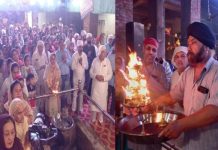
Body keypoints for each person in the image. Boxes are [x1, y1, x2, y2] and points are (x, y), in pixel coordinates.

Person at [146, 22, 218, 150]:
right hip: (187, 144)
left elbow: (214, 110)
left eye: (194, 42)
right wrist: (152, 105)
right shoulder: (188, 73)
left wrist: (181, 125)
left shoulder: (216, 71)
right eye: (188, 43)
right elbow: (172, 96)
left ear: (206, 46)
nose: (189, 47)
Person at [90, 45, 112, 124]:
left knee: (102, 103)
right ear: (99, 53)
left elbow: (110, 74)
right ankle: (93, 117)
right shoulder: (94, 60)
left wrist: (104, 78)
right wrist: (95, 76)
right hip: (95, 86)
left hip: (103, 87)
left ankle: (100, 117)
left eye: (105, 52)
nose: (104, 54)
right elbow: (90, 72)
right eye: (102, 52)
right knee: (94, 102)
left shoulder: (107, 61)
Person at [71, 40, 88, 115]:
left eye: (82, 47)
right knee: (75, 94)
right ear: (77, 48)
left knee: (81, 94)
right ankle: (73, 109)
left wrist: (82, 63)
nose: (81, 48)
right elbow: (72, 67)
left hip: (82, 78)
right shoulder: (74, 55)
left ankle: (80, 109)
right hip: (75, 78)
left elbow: (87, 67)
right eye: (79, 47)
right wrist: (77, 62)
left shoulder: (84, 55)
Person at [32, 40, 48, 113]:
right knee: (38, 93)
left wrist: (45, 66)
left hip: (44, 76)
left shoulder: (44, 54)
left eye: (42, 47)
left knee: (43, 92)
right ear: (37, 47)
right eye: (39, 47)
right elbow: (32, 67)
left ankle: (44, 108)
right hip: (37, 77)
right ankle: (38, 110)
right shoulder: (34, 55)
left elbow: (47, 64)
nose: (40, 48)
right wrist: (39, 68)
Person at [43, 53, 61, 118]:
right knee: (50, 104)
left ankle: (56, 118)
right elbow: (45, 78)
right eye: (51, 59)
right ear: (49, 59)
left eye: (54, 59)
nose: (53, 60)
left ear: (55, 59)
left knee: (56, 103)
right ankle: (50, 119)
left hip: (56, 88)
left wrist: (55, 85)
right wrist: (49, 86)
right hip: (49, 89)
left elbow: (58, 77)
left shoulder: (57, 67)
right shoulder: (47, 67)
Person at [56, 38, 71, 109]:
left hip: (67, 74)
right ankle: (61, 105)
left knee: (67, 90)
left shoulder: (67, 51)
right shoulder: (57, 53)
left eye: (63, 44)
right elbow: (57, 65)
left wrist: (66, 61)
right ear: (59, 44)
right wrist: (62, 61)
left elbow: (70, 62)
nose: (62, 46)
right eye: (61, 44)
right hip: (61, 75)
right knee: (61, 91)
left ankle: (65, 105)